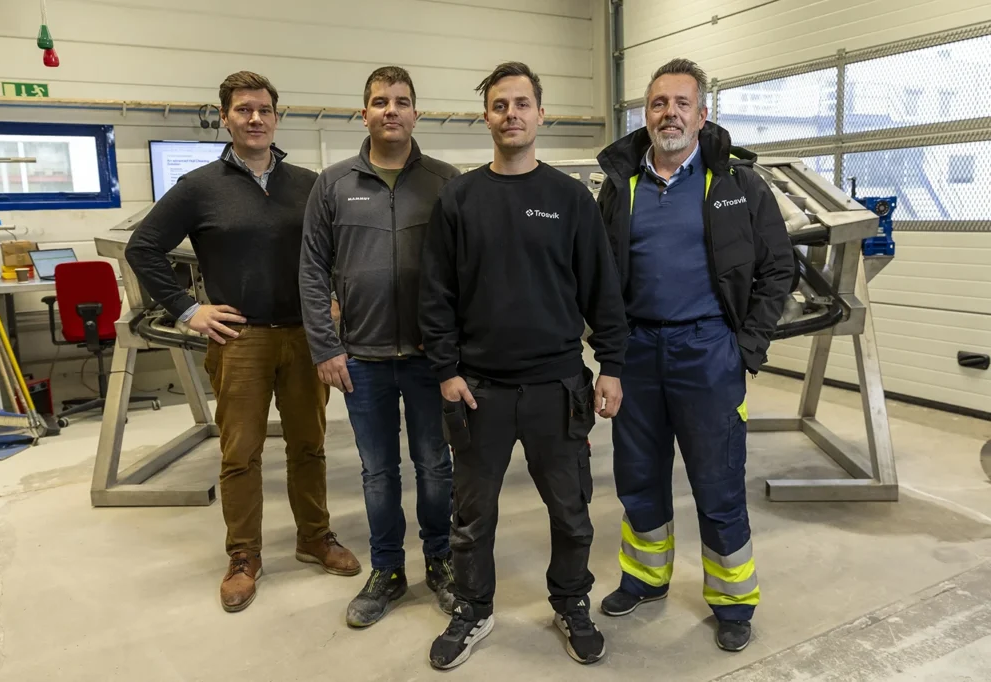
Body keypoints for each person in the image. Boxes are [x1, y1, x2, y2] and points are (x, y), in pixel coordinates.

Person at [125, 70, 361, 614]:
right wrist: (189, 309)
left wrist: (337, 298)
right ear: (225, 117)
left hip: (306, 338)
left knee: (309, 444)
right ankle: (243, 555)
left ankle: (314, 537)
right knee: (241, 454)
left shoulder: (310, 184)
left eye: (263, 109)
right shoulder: (199, 187)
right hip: (241, 340)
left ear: (277, 116)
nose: (254, 118)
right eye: (242, 110)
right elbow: (144, 249)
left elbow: (339, 249)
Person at [419, 61, 629, 670]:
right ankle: (474, 608)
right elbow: (436, 296)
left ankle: (571, 602)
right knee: (472, 516)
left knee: (570, 512)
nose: (511, 115)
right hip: (478, 389)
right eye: (499, 105)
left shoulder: (569, 199)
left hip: (556, 387)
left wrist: (611, 365)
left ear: (541, 113)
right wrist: (447, 371)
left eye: (521, 104)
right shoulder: (458, 198)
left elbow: (602, 292)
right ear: (486, 117)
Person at [594, 58, 794, 652]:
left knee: (717, 480)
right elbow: (598, 274)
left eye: (682, 103)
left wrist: (745, 349)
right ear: (645, 115)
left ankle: (733, 599)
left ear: (702, 115)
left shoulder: (735, 183)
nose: (670, 113)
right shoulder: (620, 185)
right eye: (659, 104)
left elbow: (778, 268)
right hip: (636, 352)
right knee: (637, 475)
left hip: (708, 351)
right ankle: (646, 577)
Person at [300, 66, 459, 628]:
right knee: (377, 472)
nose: (390, 110)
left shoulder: (445, 181)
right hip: (360, 359)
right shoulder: (335, 183)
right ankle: (388, 570)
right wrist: (325, 346)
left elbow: (466, 271)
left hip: (427, 359)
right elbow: (313, 269)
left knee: (436, 466)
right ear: (362, 112)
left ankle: (440, 561)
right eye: (379, 101)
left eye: (401, 101)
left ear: (417, 112)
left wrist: (454, 351)